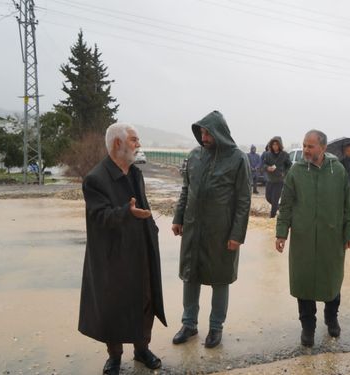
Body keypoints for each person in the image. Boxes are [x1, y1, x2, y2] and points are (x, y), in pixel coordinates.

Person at [79, 123, 167, 375]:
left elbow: (143, 207)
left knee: (145, 301)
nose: (138, 144)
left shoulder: (135, 173)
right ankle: (114, 356)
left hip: (141, 251)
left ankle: (142, 350)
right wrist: (126, 212)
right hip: (113, 256)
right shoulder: (95, 179)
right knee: (114, 305)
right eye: (133, 139)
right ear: (117, 143)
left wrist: (152, 229)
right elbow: (100, 217)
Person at [171, 111, 252, 349]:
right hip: (194, 228)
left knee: (220, 278)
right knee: (190, 275)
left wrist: (237, 235)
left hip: (222, 230)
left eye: (208, 132)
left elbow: (244, 199)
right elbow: (186, 189)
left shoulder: (237, 158)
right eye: (201, 132)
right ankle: (189, 324)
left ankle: (216, 327)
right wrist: (178, 218)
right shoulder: (195, 156)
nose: (204, 137)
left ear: (219, 132)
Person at [275, 129, 350, 347]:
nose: (305, 150)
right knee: (304, 284)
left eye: (310, 146)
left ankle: (331, 319)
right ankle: (308, 328)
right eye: (304, 145)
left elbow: (348, 204)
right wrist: (281, 232)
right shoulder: (296, 171)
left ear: (323, 148)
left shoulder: (337, 170)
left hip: (332, 238)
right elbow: (286, 205)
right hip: (303, 238)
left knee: (332, 282)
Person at [263, 136, 292, 218]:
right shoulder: (268, 154)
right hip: (270, 179)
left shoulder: (284, 155)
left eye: (276, 144)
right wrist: (267, 168)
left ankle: (272, 216)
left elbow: (289, 165)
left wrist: (284, 172)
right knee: (268, 198)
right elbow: (264, 164)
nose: (275, 146)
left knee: (275, 199)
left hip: (279, 180)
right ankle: (278, 207)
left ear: (280, 145)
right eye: (273, 144)